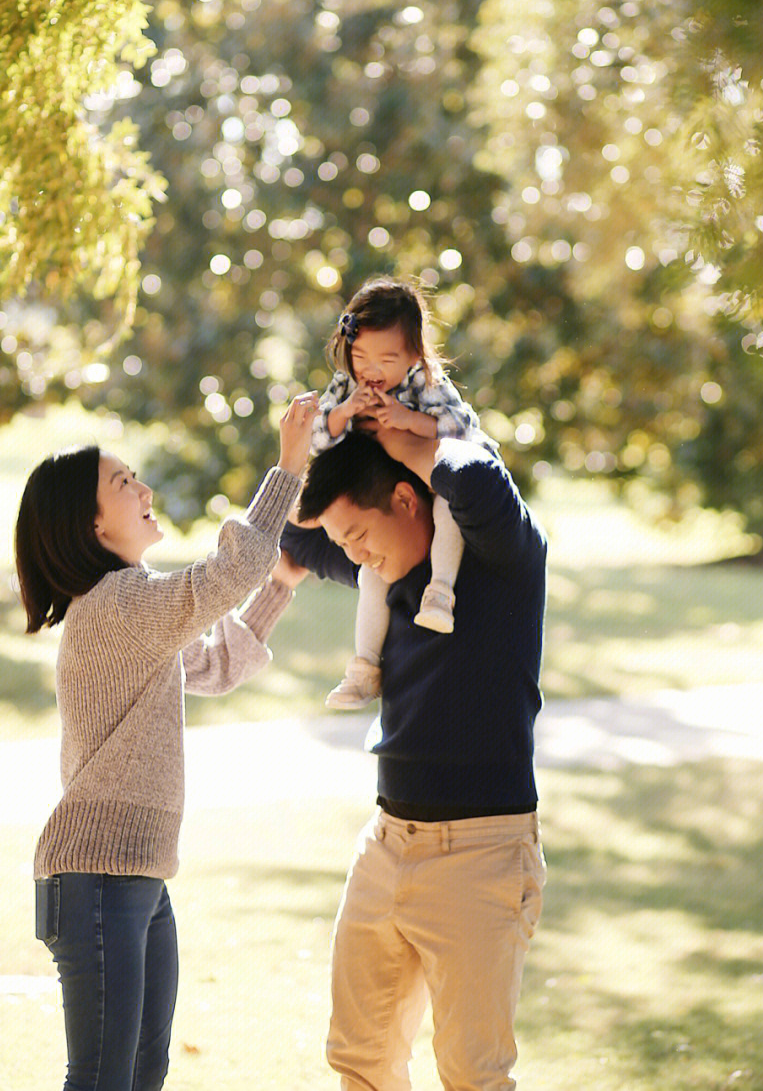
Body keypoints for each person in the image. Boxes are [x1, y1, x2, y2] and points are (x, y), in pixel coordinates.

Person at [15, 391, 318, 1091]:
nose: (144, 488)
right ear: (89, 522)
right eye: (124, 483)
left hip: (137, 877)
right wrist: (288, 468)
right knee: (102, 1079)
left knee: (140, 1074)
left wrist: (279, 585)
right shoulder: (117, 604)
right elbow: (223, 577)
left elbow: (212, 666)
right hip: (97, 878)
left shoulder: (132, 605)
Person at [281, 424, 547, 1091]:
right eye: (349, 547)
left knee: (472, 1076)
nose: (357, 557)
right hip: (386, 842)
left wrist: (407, 430)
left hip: (481, 853)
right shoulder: (385, 568)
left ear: (406, 499)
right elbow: (293, 533)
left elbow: (478, 479)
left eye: (360, 536)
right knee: (360, 1057)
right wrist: (322, 440)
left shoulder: (500, 561)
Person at [311, 277, 497, 708]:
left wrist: (404, 419)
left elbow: (458, 428)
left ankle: (441, 590)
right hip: (398, 488)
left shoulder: (426, 380)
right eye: (360, 358)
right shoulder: (346, 386)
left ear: (414, 353)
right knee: (369, 575)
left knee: (449, 509)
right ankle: (363, 668)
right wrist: (346, 411)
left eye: (386, 359)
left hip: (447, 475)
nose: (371, 371)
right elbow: (320, 437)